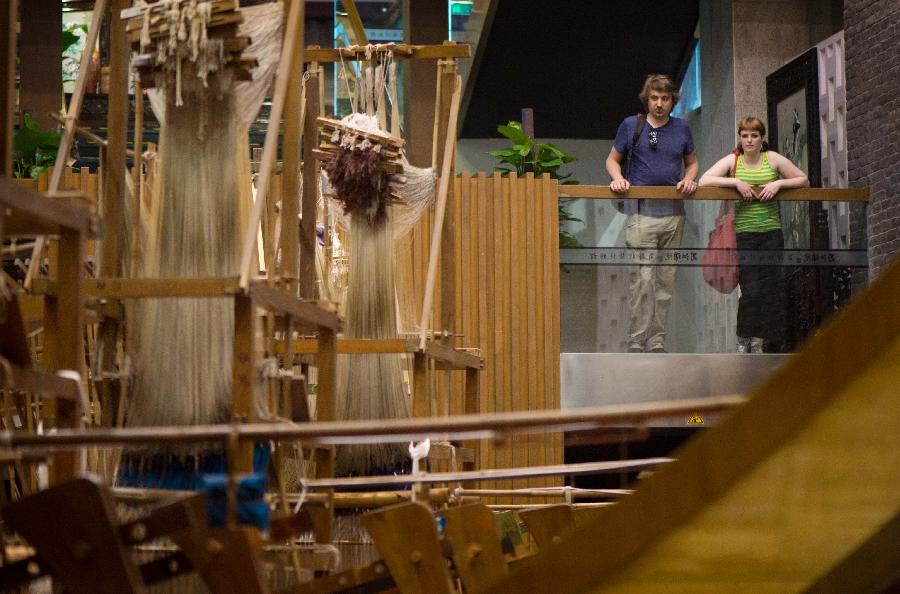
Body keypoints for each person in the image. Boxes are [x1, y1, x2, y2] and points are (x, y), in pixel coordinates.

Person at [605, 74, 699, 353]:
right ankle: (636, 340)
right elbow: (612, 159)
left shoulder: (681, 129)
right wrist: (618, 178)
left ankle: (657, 341)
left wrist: (690, 178)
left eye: (665, 99)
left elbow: (692, 163)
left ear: (672, 101)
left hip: (673, 215)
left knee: (665, 282)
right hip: (641, 214)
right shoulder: (631, 125)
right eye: (654, 98)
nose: (659, 104)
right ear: (647, 99)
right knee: (642, 281)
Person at [698, 116, 808, 353]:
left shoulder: (772, 159)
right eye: (745, 135)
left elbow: (803, 179)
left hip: (771, 232)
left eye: (754, 136)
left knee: (771, 289)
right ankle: (744, 338)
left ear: (761, 138)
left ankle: (760, 340)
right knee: (751, 289)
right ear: (740, 138)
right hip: (744, 234)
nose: (749, 140)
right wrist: (735, 182)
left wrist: (778, 185)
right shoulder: (734, 161)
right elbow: (704, 180)